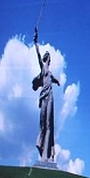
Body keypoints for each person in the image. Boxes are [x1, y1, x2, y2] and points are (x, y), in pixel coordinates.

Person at [33, 27, 60, 162]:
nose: (49, 58)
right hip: (44, 97)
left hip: (51, 97)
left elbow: (54, 79)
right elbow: (38, 55)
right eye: (48, 56)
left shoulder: (50, 73)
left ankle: (47, 155)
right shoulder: (43, 68)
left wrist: (57, 82)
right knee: (44, 124)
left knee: (50, 124)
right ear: (47, 58)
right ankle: (41, 146)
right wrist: (36, 42)